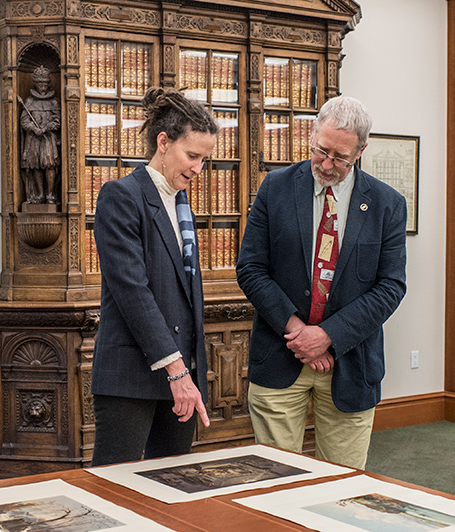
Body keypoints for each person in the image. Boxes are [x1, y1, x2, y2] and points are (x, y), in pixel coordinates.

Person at [236, 95, 407, 469]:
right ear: (312, 134)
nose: (327, 164)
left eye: (340, 158)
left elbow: (390, 287)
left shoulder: (387, 204)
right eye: (321, 150)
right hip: (281, 354)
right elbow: (250, 268)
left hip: (351, 362)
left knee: (342, 487)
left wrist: (327, 336)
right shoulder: (275, 188)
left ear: (361, 150)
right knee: (273, 480)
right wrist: (298, 332)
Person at [91, 87, 219, 466]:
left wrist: (190, 372)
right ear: (163, 142)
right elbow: (133, 291)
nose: (199, 168)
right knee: (116, 492)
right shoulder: (121, 196)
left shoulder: (182, 206)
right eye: (192, 155)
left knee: (173, 486)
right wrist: (176, 369)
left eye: (205, 160)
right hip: (132, 375)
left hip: (183, 374)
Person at [20, 65, 61, 204]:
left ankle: (50, 195)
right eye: (40, 84)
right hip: (34, 139)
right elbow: (24, 120)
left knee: (49, 164)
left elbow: (58, 120)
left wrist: (48, 127)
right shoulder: (29, 102)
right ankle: (40, 195)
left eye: (44, 84)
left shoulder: (54, 102)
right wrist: (32, 128)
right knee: (36, 165)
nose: (42, 88)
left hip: (48, 139)